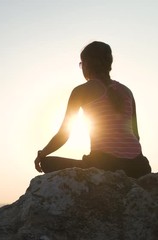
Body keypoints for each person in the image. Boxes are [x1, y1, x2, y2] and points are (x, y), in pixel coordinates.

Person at [34, 41, 151, 178]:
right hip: (139, 166)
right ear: (109, 64)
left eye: (81, 64)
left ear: (86, 65)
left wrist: (41, 154)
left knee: (48, 163)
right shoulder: (127, 91)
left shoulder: (81, 91)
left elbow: (64, 135)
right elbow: (136, 135)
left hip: (104, 165)